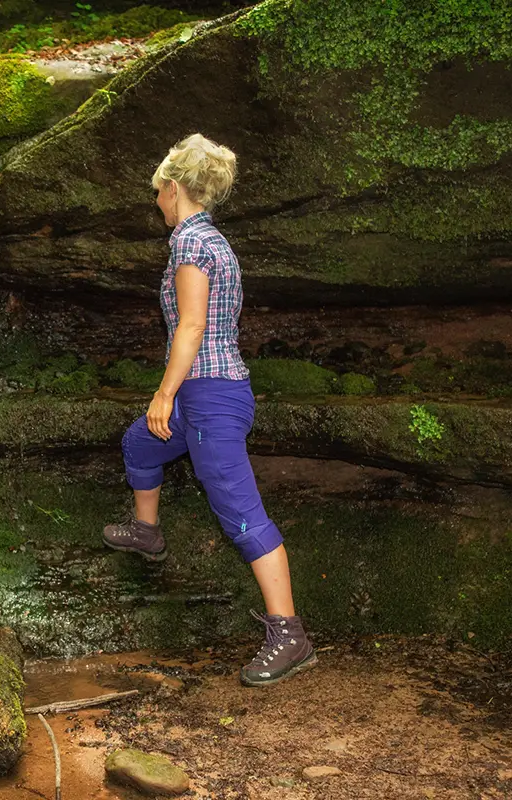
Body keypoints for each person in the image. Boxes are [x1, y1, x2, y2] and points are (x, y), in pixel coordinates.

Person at [101, 134, 316, 687]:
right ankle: (147, 531)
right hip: (210, 391)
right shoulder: (212, 240)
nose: (156, 203)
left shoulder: (191, 245)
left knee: (241, 515)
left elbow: (192, 327)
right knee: (140, 443)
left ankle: (289, 633)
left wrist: (164, 393)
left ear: (173, 189)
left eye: (157, 192)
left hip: (210, 395)